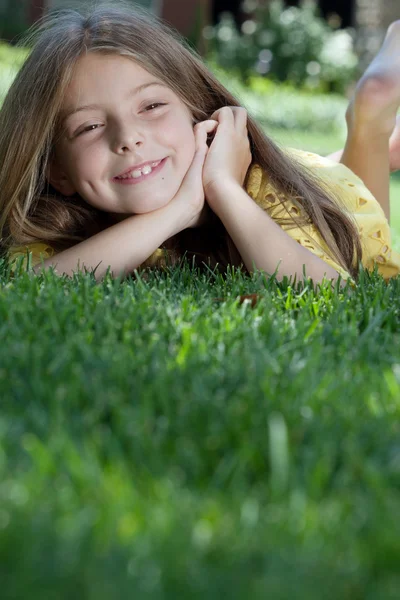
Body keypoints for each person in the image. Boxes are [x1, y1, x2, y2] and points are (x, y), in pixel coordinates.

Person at [2, 3, 400, 285]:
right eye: (88, 127)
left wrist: (223, 189)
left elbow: (331, 293)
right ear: (56, 171)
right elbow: (33, 288)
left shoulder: (257, 189)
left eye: (152, 105)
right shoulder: (55, 225)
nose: (128, 138)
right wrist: (181, 209)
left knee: (355, 170)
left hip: (331, 201)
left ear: (197, 115)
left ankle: (371, 112)